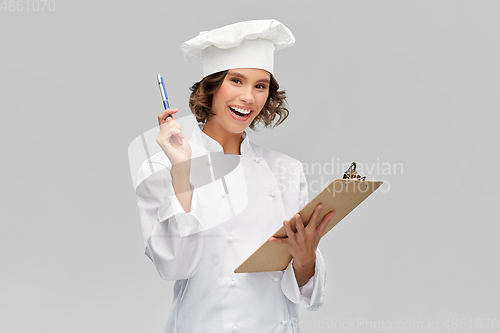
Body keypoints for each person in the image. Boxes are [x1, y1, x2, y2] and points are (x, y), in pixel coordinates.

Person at [135, 19, 335, 333]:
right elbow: (174, 265)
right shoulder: (163, 168)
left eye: (260, 85)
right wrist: (182, 170)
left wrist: (306, 259)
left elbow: (303, 290)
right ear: (210, 86)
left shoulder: (286, 169)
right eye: (237, 81)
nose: (249, 97)